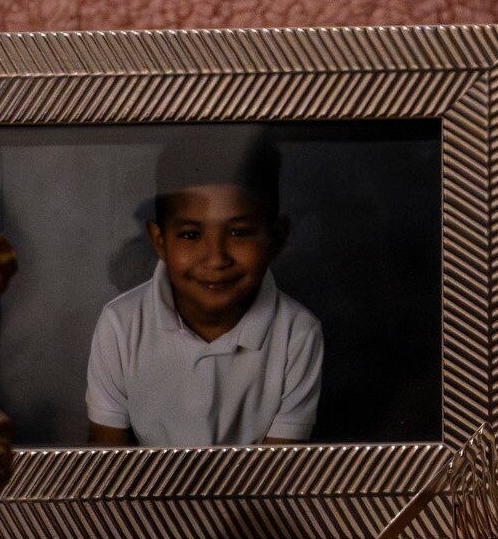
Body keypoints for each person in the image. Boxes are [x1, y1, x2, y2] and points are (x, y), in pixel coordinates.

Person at [86, 129, 325, 447]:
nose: (215, 258)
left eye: (239, 232)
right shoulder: (119, 325)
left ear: (277, 238)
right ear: (160, 241)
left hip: (254, 496)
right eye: (190, 235)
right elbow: (107, 463)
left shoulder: (298, 333)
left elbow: (278, 475)